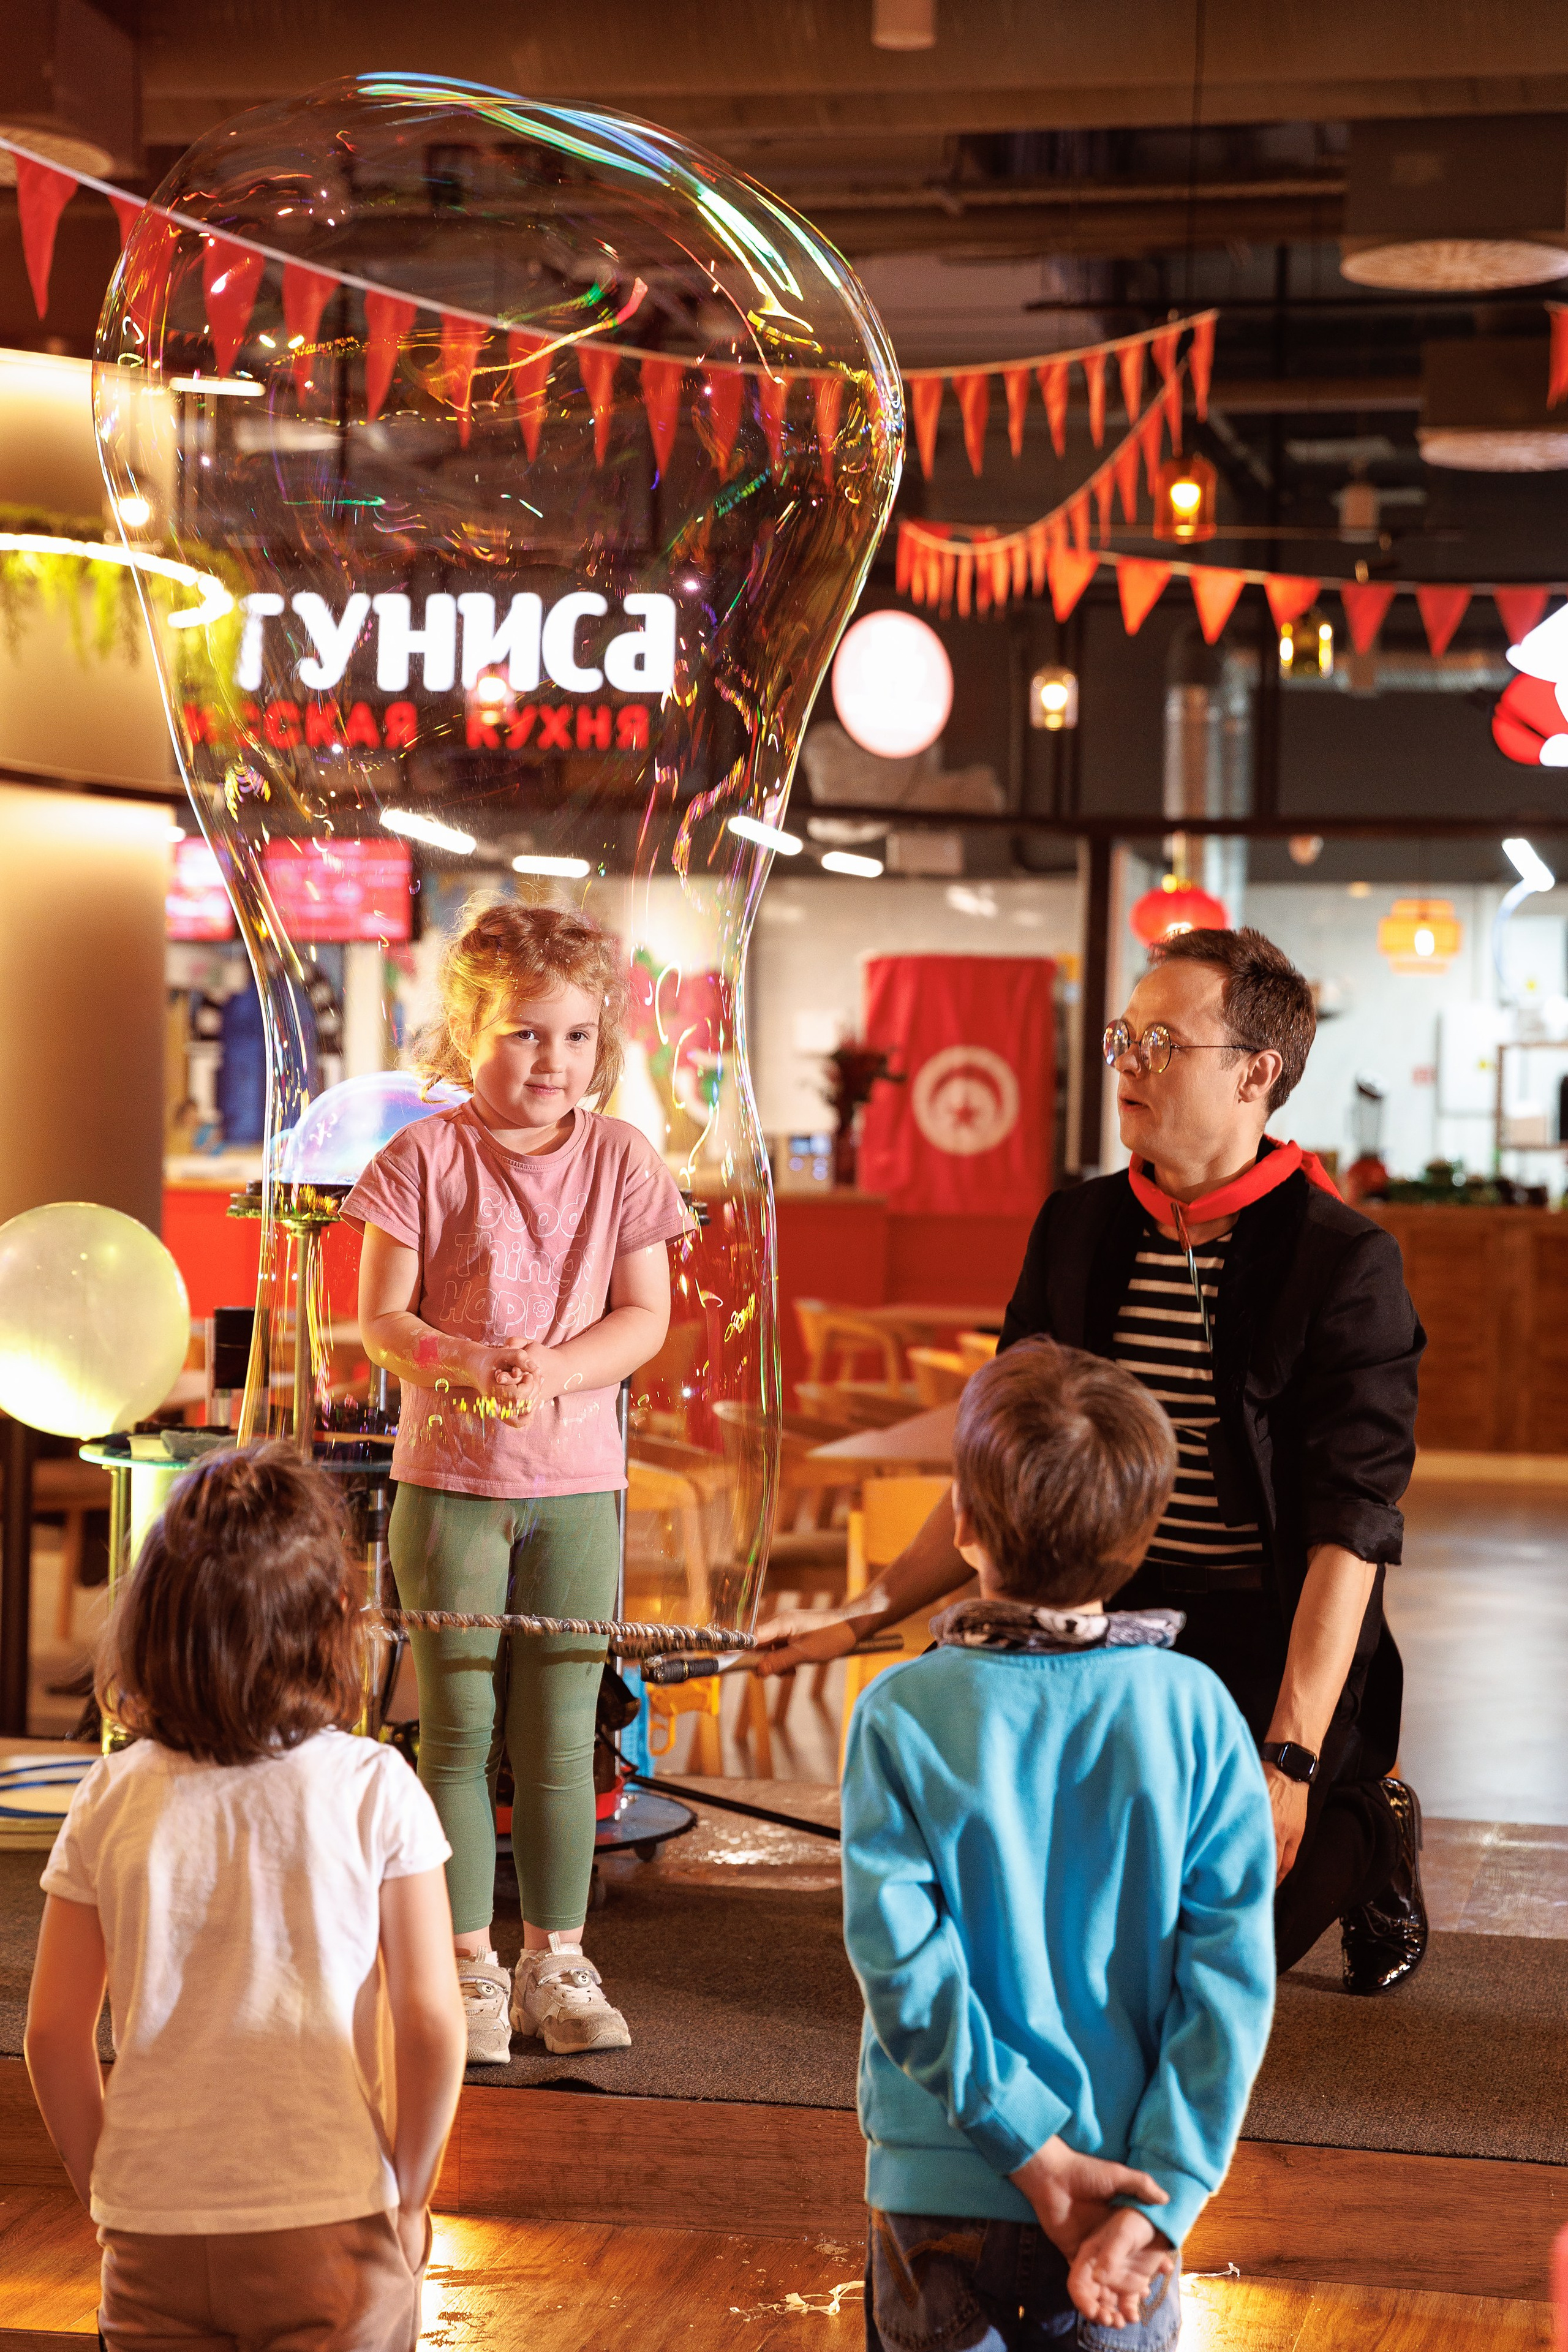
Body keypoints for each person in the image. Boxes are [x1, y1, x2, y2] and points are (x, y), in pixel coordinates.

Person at [763, 926, 1427, 1998]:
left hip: (1263, 1629)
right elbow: (1004, 1465)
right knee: (1025, 1936)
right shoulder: (1078, 1226)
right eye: (1128, 1035)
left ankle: (1374, 1823)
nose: (1129, 1060)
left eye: (1165, 1041)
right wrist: (858, 1614)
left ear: (1258, 1075)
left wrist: (1291, 1761)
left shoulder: (1344, 1263)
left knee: (1203, 1967)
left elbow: (1351, 1531)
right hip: (1096, 1611)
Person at [843, 1339, 1275, 2352]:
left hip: (938, 2184)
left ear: (961, 1523)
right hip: (1130, 2187)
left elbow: (905, 1973)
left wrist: (1029, 2154)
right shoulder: (1201, 1713)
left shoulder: (900, 1711)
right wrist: (1165, 2193)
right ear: (1142, 1537)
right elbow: (1231, 1985)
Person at [345, 893, 688, 2063]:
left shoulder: (623, 1157)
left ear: (607, 1040)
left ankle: (559, 1954)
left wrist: (551, 1377)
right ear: (467, 1032)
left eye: (578, 1035)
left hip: (581, 1484)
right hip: (448, 1480)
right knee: (454, 1730)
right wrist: (458, 1357)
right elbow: (380, 1319)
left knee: (556, 1736)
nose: (555, 1060)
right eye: (526, 1033)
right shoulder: (422, 1155)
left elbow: (646, 1316)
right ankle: (465, 1967)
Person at [24, 1445, 466, 2352]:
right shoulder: (375, 1785)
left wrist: (107, 2182)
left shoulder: (109, 1792)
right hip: (332, 2217)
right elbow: (430, 2019)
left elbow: (52, 2034)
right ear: (333, 1621)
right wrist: (411, 2198)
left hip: (152, 2229)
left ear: (153, 1621)